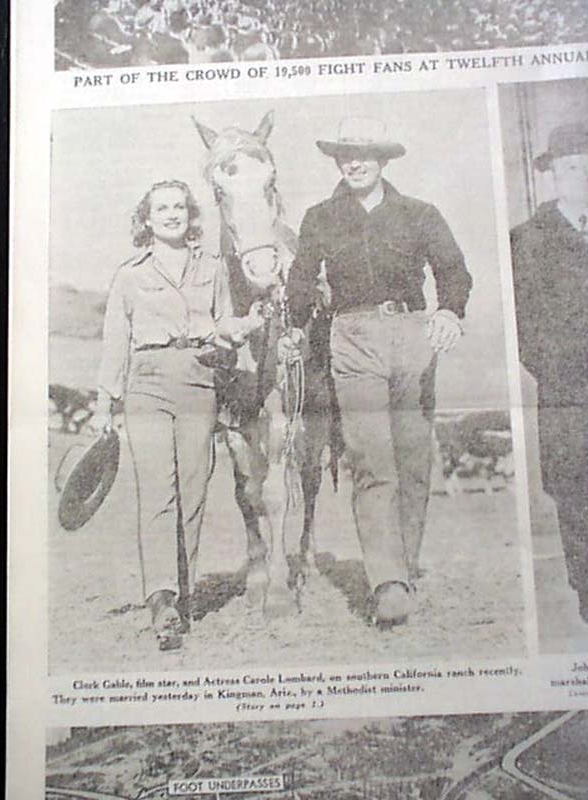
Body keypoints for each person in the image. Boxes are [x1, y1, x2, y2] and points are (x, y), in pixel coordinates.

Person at [285, 117, 472, 627]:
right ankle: (387, 583)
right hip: (352, 339)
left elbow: (453, 271)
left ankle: (404, 566)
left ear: (384, 159)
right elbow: (300, 280)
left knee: (412, 462)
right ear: (337, 160)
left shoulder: (420, 214)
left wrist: (449, 311)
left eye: (365, 153)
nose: (355, 161)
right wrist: (293, 323)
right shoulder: (320, 217)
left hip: (413, 336)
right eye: (346, 153)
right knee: (371, 459)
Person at [90, 179, 263, 650]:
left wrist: (246, 326)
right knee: (158, 491)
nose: (171, 214)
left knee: (193, 488)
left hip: (199, 378)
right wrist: (105, 403)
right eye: (161, 208)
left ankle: (182, 595)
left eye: (179, 207)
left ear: (190, 216)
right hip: (146, 381)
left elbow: (225, 321)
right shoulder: (129, 274)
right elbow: (115, 342)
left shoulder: (212, 267)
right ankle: (161, 597)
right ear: (146, 219)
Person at [510, 123, 588, 627]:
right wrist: (569, 370)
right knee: (581, 493)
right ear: (551, 178)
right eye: (571, 168)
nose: (583, 176)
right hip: (571, 394)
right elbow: (527, 329)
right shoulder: (529, 240)